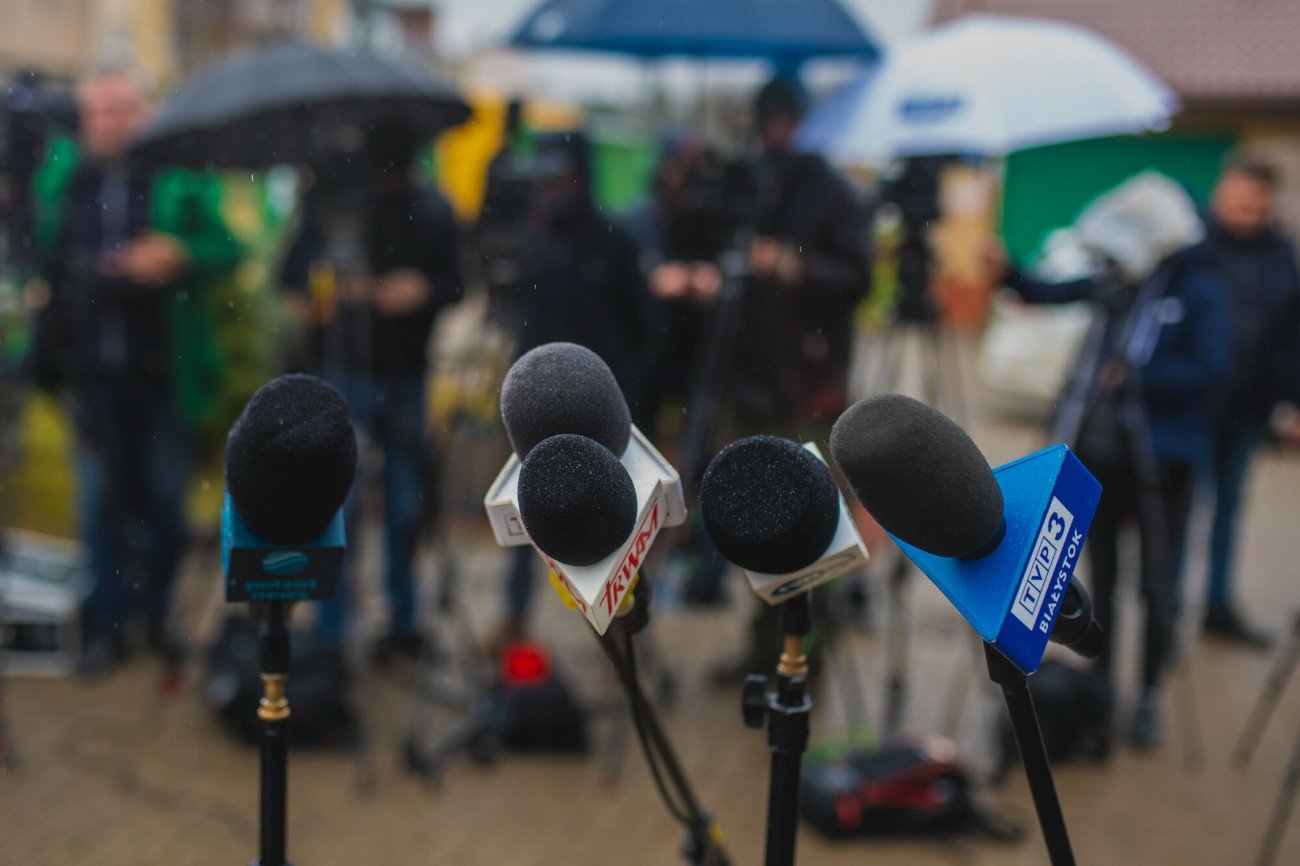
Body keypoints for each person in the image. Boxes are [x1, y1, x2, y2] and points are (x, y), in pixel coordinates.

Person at [988, 171, 1234, 748]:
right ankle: (1099, 686)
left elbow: (1213, 370)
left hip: (1163, 462)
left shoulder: (1199, 289)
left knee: (1156, 583)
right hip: (1096, 461)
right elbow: (1052, 291)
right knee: (1103, 579)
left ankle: (1147, 693)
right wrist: (1008, 271)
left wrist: (1140, 378)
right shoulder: (1116, 283)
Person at [28, 60, 241, 674]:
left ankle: (157, 616)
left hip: (163, 374)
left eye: (122, 109)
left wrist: (179, 255)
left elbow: (229, 248)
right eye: (97, 111)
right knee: (99, 504)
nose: (110, 123)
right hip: (90, 373)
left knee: (164, 505)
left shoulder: (178, 175)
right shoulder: (65, 178)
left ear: (145, 111)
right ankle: (107, 623)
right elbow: (43, 255)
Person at [280, 125, 464, 660]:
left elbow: (457, 284)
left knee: (405, 505)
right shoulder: (332, 207)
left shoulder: (434, 209)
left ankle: (403, 622)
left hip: (407, 372)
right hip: (343, 371)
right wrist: (331, 295)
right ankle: (332, 629)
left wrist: (421, 289)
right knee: (341, 500)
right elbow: (292, 284)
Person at [713, 77, 871, 679]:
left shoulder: (832, 192)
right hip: (752, 380)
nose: (774, 134)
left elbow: (856, 278)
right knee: (755, 521)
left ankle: (808, 652)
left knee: (810, 522)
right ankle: (762, 649)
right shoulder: (755, 182)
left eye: (782, 122)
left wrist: (792, 267)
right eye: (766, 122)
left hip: (808, 387)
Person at [493, 130, 657, 648]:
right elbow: (524, 328)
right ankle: (514, 618)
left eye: (559, 179)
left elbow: (647, 331)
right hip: (538, 418)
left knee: (611, 532)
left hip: (608, 419)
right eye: (542, 182)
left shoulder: (615, 245)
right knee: (527, 518)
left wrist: (627, 402)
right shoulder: (533, 247)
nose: (549, 191)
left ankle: (621, 630)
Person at [1195, 158, 1300, 646]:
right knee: (1178, 511)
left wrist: (1294, 403)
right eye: (1239, 199)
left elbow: (1292, 335)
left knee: (1229, 508)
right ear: (1222, 194)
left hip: (1249, 410)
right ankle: (1165, 607)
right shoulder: (1193, 246)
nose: (1246, 210)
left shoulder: (1282, 254)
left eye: (1256, 203)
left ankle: (1217, 606)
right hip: (1193, 408)